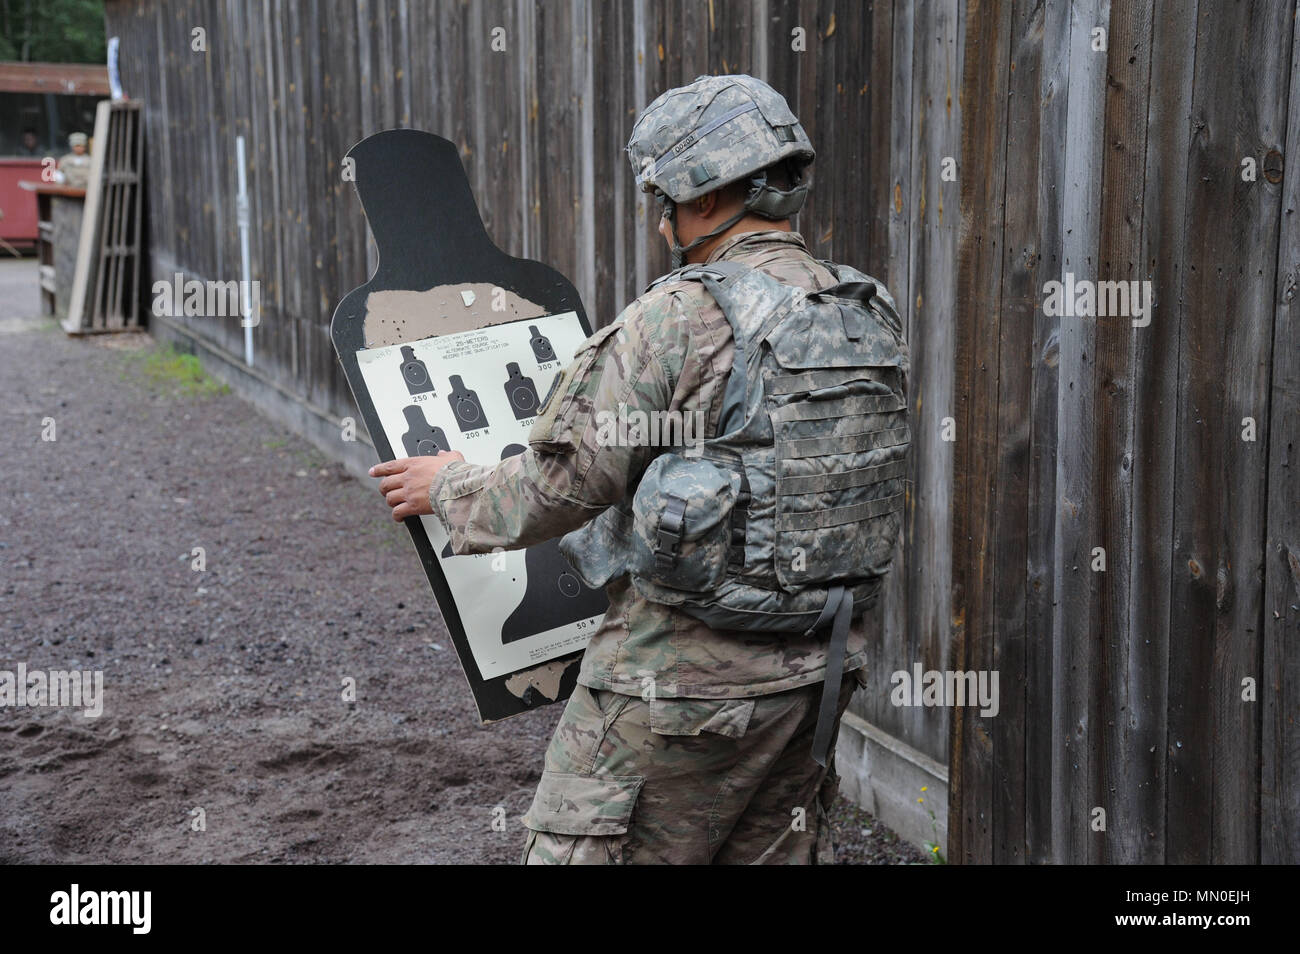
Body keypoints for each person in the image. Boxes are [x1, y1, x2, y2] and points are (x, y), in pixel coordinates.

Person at [371, 74, 908, 864]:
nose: (661, 222)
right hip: (814, 680)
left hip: (673, 690)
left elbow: (561, 486)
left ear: (700, 196)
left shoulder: (677, 317)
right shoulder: (863, 308)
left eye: (663, 196)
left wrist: (446, 484)